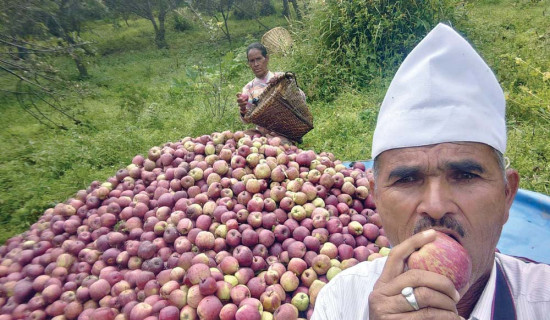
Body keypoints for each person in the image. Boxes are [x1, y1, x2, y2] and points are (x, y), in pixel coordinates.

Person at [311, 23, 550, 320]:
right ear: (376, 200)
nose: (436, 207)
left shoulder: (543, 301)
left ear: (507, 195)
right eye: (407, 179)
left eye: (465, 176)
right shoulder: (341, 302)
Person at [236, 42, 304, 143]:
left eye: (259, 59)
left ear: (266, 58)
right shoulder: (248, 88)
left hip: (284, 131)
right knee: (241, 139)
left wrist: (284, 84)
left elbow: (301, 99)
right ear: (249, 63)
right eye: (252, 61)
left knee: (278, 145)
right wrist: (242, 109)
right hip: (261, 133)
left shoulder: (280, 77)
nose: (256, 64)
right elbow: (247, 120)